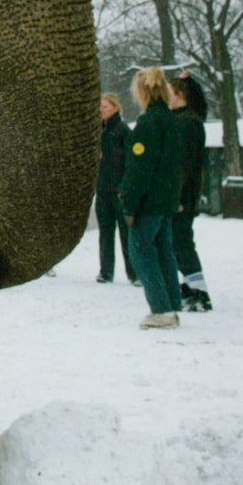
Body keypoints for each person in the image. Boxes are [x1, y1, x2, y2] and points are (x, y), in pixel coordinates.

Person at [120, 67, 184, 329]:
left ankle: (161, 309)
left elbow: (139, 169)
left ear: (142, 92)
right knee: (164, 252)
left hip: (148, 203)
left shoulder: (147, 124)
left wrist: (129, 203)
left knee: (142, 253)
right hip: (166, 201)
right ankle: (171, 304)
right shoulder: (173, 121)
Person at [168, 71, 213, 312]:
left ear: (179, 95)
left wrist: (177, 197)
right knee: (178, 242)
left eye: (168, 92)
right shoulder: (186, 118)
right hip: (183, 193)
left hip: (183, 196)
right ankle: (189, 285)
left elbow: (183, 164)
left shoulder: (187, 122)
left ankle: (199, 292)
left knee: (181, 242)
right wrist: (190, 81)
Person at [95, 93, 138, 284]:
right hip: (102, 189)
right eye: (100, 106)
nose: (101, 110)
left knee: (126, 233)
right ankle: (106, 271)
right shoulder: (98, 131)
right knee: (105, 232)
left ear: (115, 108)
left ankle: (134, 273)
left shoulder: (123, 131)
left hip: (119, 190)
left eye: (105, 106)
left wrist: (125, 187)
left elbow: (131, 161)